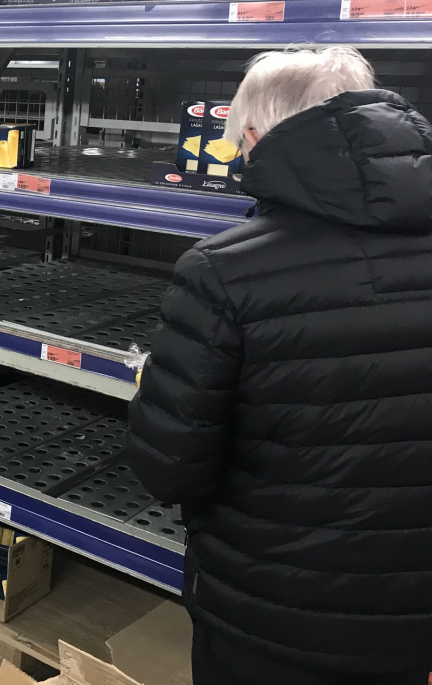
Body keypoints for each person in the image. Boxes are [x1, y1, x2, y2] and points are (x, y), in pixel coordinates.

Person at [128, 46, 432, 685]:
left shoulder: (224, 271)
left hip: (273, 612)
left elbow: (170, 468)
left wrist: (157, 393)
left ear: (256, 139)